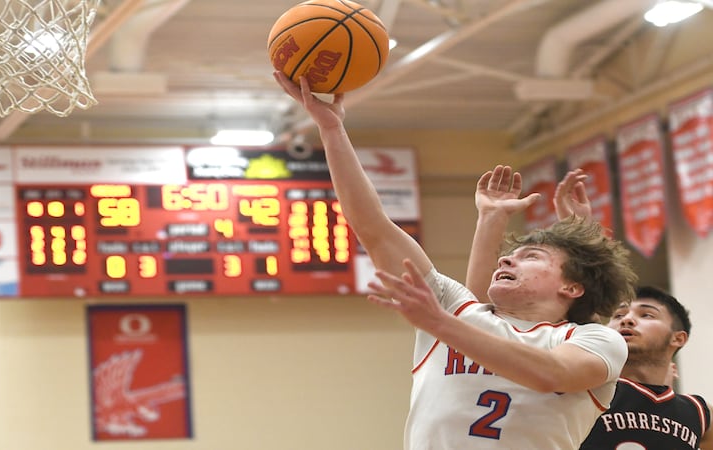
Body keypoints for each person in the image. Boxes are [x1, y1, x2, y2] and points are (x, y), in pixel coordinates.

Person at [273, 72, 638, 449]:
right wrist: (331, 130)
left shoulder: (594, 339)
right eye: (507, 256)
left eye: (529, 256)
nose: (507, 262)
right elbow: (374, 228)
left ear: (572, 286)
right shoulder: (456, 307)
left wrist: (438, 323)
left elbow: (552, 374)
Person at [468, 167, 711, 449]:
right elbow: (476, 310)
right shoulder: (588, 378)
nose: (627, 321)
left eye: (646, 315)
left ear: (678, 338)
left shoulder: (696, 412)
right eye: (619, 315)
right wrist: (581, 229)